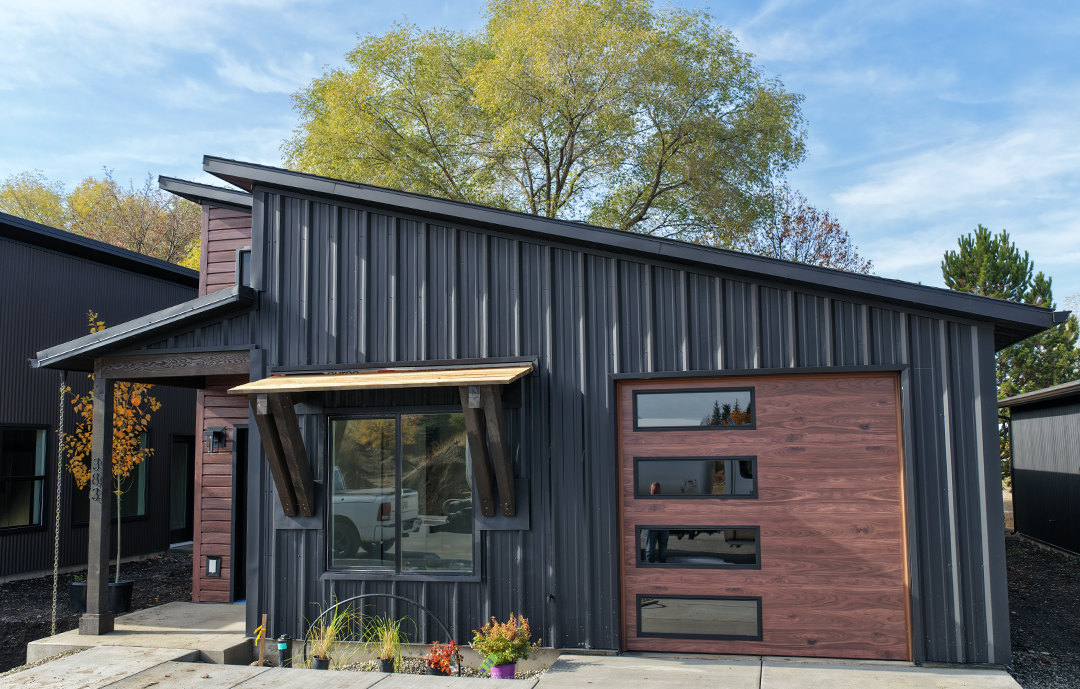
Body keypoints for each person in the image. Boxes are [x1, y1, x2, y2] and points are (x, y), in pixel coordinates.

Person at [645, 483, 669, 563]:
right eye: (654, 493)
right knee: (650, 550)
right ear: (650, 490)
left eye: (657, 493)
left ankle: (662, 569)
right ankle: (649, 569)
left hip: (662, 527)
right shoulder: (645, 501)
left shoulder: (664, 502)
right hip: (650, 527)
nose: (655, 496)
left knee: (663, 551)